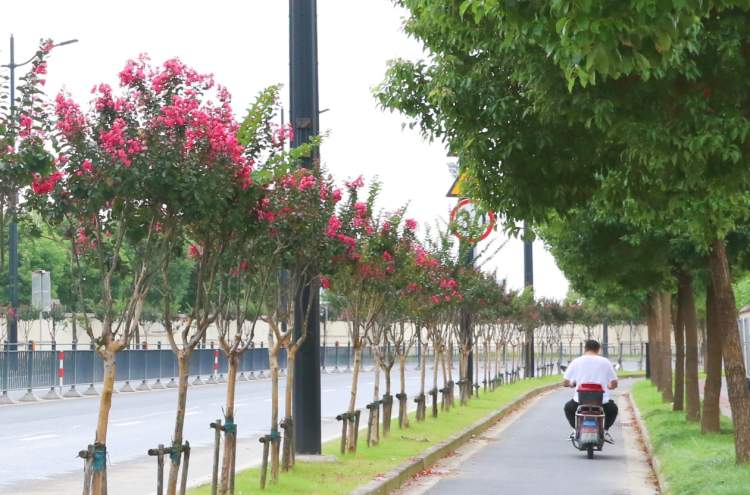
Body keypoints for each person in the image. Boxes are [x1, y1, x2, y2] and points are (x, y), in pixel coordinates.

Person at [563, 339, 618, 443]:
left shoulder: (576, 361)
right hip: (602, 403)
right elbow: (614, 382)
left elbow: (565, 382)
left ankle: (576, 430)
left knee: (568, 408)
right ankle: (605, 431)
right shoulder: (605, 362)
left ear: (585, 349)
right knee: (613, 410)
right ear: (598, 349)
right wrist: (610, 386)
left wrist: (571, 384)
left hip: (580, 402)